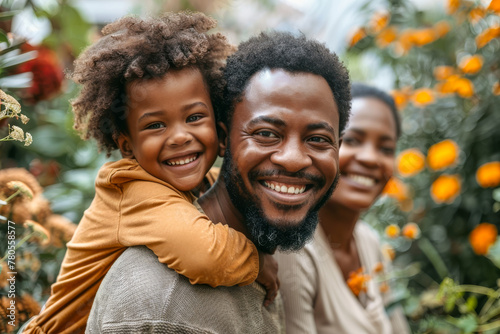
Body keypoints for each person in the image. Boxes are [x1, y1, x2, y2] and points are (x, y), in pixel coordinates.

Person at [24, 12, 281, 334]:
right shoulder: (131, 189)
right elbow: (205, 256)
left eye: (194, 117)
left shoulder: (207, 182)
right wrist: (257, 262)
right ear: (127, 145)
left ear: (219, 125)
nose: (179, 137)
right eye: (155, 125)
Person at [86, 30, 351, 333]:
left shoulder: (248, 255)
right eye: (266, 134)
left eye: (317, 139)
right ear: (224, 139)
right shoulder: (167, 305)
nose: (293, 159)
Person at [275, 83, 410, 334]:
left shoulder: (369, 243)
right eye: (351, 140)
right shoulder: (293, 250)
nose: (370, 158)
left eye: (386, 148)